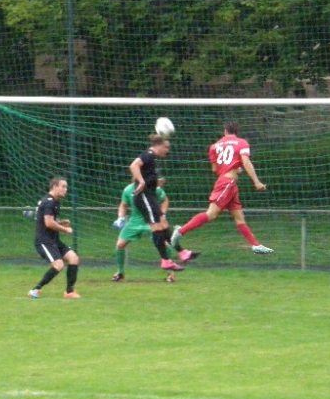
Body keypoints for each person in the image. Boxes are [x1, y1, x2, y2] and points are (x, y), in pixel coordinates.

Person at [170, 121, 273, 256]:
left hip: (227, 183)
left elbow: (215, 169)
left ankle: (255, 245)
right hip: (227, 184)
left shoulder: (214, 146)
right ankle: (180, 231)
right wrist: (256, 182)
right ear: (236, 132)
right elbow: (246, 162)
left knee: (239, 217)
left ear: (225, 131)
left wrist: (232, 167)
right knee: (211, 214)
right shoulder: (242, 143)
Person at [112, 179, 197, 282]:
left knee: (164, 244)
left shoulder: (154, 189)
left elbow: (165, 200)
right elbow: (123, 205)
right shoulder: (128, 189)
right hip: (134, 222)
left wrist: (163, 214)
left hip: (152, 221)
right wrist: (120, 218)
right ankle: (120, 273)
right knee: (120, 244)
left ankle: (171, 273)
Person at [129, 134, 185, 271]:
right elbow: (134, 165)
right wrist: (141, 182)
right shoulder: (148, 155)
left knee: (163, 225)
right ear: (158, 145)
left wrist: (155, 182)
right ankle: (166, 261)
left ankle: (182, 253)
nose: (167, 150)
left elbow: (147, 177)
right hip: (143, 197)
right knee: (157, 227)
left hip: (150, 196)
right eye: (166, 147)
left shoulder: (152, 158)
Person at [28, 177, 80, 299]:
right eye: (63, 186)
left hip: (54, 240)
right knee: (58, 265)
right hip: (44, 241)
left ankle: (69, 292)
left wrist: (61, 223)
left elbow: (48, 221)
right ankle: (35, 290)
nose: (66, 190)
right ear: (55, 187)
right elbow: (49, 223)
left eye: (66, 187)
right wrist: (65, 229)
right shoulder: (49, 202)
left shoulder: (55, 202)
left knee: (73, 258)